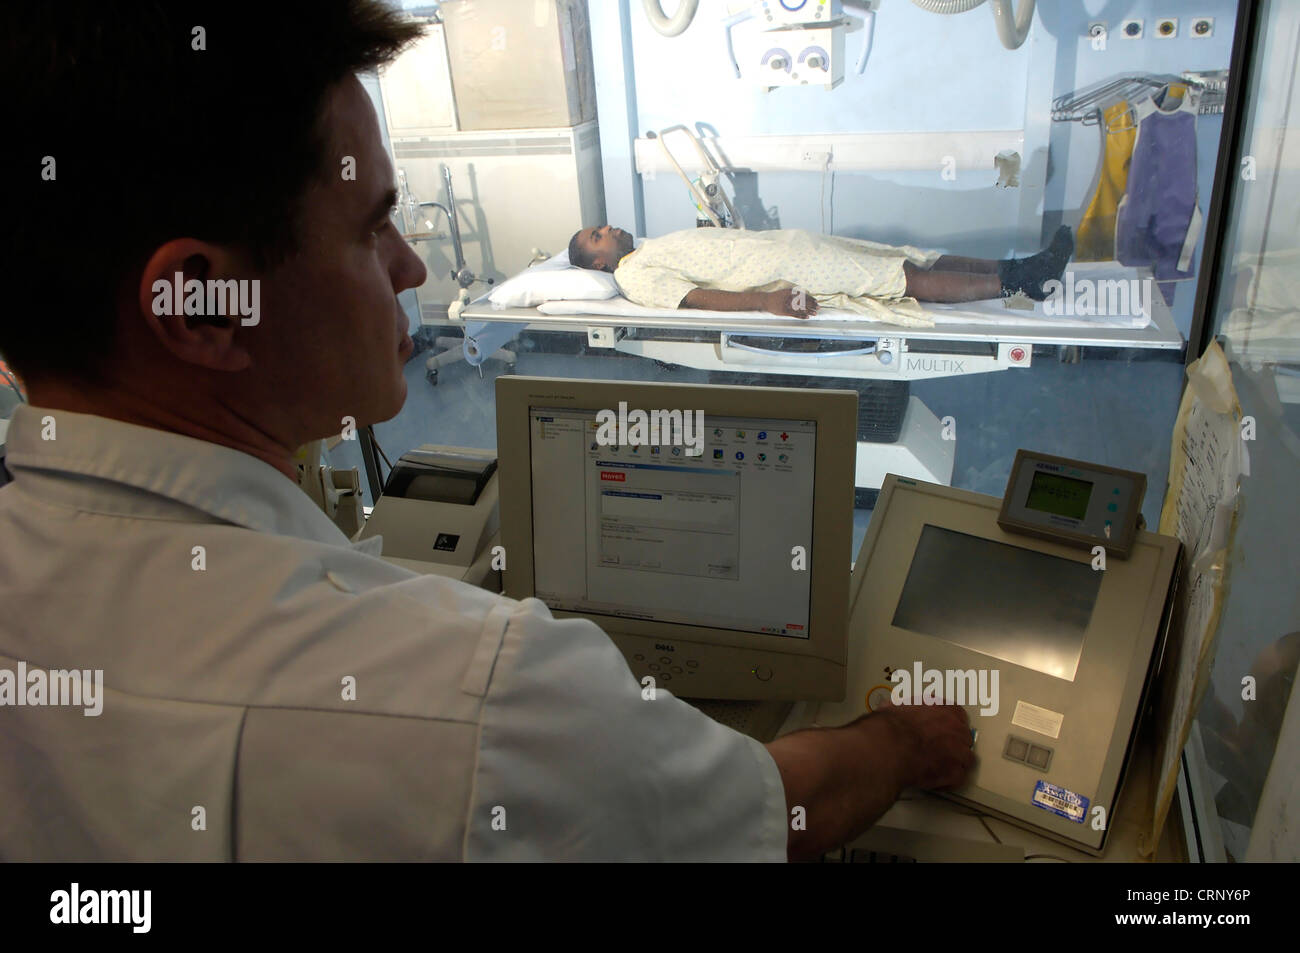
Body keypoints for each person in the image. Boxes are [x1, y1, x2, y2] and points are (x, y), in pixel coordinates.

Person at [0, 1, 973, 862]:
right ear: (204, 308)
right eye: (372, 226)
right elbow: (778, 809)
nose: (412, 266)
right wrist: (897, 742)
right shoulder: (486, 703)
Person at [569, 224, 1074, 322]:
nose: (607, 229)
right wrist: (766, 302)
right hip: (792, 267)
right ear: (599, 263)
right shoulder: (634, 277)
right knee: (901, 280)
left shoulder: (649, 247)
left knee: (910, 257)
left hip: (796, 246)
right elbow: (694, 300)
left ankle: (1021, 268)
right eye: (597, 237)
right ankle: (1018, 284)